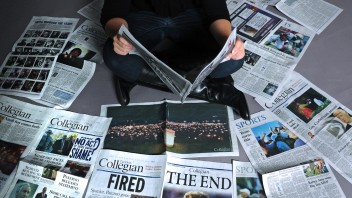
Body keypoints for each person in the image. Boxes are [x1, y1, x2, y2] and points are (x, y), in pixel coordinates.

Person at [101, 0, 250, 120]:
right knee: (114, 57)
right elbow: (112, 12)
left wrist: (226, 42)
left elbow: (217, 11)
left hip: (191, 18)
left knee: (233, 61)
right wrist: (120, 37)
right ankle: (215, 92)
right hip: (142, 16)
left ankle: (139, 75)